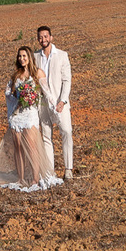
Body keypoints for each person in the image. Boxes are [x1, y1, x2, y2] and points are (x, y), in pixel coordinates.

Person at [0, 45, 62, 192]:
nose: (21, 59)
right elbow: (7, 93)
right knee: (18, 149)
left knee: (32, 148)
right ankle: (21, 178)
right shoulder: (16, 75)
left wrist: (54, 105)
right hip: (17, 116)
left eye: (24, 56)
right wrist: (18, 96)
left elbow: (46, 92)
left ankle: (35, 178)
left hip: (30, 115)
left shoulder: (37, 73)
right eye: (19, 56)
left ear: (29, 57)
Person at [35, 21, 73, 179]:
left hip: (59, 102)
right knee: (46, 136)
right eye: (40, 37)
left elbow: (67, 80)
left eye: (45, 36)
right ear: (38, 39)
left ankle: (68, 169)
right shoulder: (35, 56)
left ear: (51, 37)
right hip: (43, 104)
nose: (43, 39)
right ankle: (50, 172)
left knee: (66, 132)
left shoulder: (62, 55)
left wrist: (62, 101)